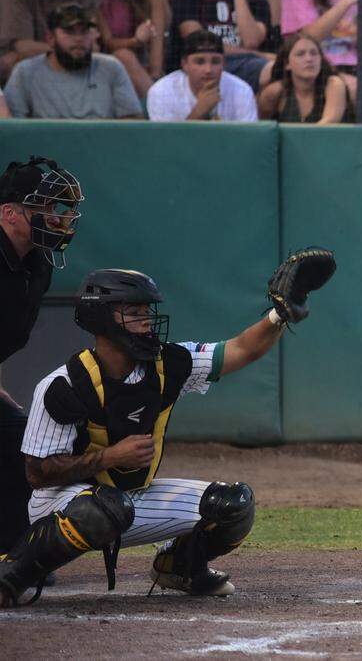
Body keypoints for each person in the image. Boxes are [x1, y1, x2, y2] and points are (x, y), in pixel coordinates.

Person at [0, 249, 336, 607]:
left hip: (130, 498)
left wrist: (279, 315)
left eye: (147, 310)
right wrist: (110, 456)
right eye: (134, 311)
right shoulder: (65, 385)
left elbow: (240, 349)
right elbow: (37, 474)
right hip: (62, 503)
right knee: (103, 508)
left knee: (233, 504)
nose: (147, 319)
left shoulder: (169, 363)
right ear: (102, 318)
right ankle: (13, 573)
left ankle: (179, 566)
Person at [0, 157, 82, 567]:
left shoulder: (37, 264)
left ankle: (12, 555)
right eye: (43, 208)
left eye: (56, 209)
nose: (55, 218)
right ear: (8, 213)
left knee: (19, 443)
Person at [3, 3, 143, 119]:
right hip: (46, 151)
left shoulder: (111, 67)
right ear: (50, 38)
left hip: (101, 148)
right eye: (70, 32)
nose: (79, 39)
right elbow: (13, 130)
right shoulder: (25, 72)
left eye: (84, 32)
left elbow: (132, 122)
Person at [172, 0, 274, 92]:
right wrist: (257, 54)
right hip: (206, 62)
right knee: (271, 69)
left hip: (247, 63)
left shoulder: (257, 0)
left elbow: (251, 41)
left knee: (277, 79)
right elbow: (198, 43)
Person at [147, 29, 258, 121]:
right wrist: (199, 112)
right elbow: (166, 144)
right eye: (200, 62)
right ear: (185, 64)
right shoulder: (162, 91)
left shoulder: (241, 91)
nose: (208, 70)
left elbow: (249, 143)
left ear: (224, 64)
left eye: (215, 62)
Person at [0, 0, 102, 84]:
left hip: (69, 59)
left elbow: (93, 46)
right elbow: (23, 47)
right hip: (20, 60)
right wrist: (74, 48)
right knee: (15, 63)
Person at [258, 32, 352, 123]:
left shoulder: (334, 83)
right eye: (300, 54)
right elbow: (262, 127)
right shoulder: (275, 92)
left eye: (314, 53)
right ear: (287, 64)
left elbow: (329, 122)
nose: (309, 59)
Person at [96, 0, 169, 99]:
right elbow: (108, 42)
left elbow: (157, 40)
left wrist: (155, 75)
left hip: (142, 58)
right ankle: (158, 105)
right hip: (108, 56)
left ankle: (156, 101)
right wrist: (136, 40)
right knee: (123, 56)